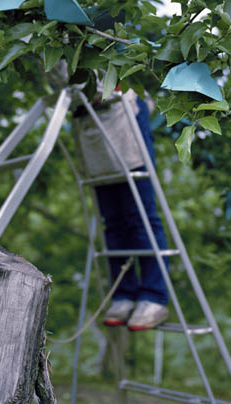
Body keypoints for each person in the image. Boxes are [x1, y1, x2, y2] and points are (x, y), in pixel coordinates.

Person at [0, 25, 170, 331]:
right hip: (87, 116)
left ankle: (153, 294)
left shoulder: (58, 14)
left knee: (137, 209)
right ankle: (124, 293)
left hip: (121, 108)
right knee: (111, 215)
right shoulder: (26, 25)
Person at [72, 86, 169, 331]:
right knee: (112, 220)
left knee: (140, 217)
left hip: (122, 114)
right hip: (90, 121)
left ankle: (153, 295)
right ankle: (124, 294)